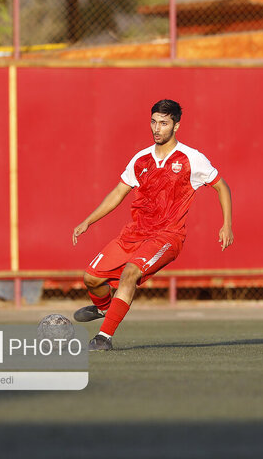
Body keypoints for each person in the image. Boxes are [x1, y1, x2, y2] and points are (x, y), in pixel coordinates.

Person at [71, 99, 234, 351]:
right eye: (154, 122)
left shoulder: (192, 158)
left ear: (176, 126)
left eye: (164, 123)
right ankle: (106, 309)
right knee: (91, 278)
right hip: (134, 233)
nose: (157, 128)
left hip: (167, 236)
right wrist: (88, 221)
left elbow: (222, 187)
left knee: (130, 274)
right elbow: (118, 193)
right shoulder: (141, 159)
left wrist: (227, 224)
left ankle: (103, 338)